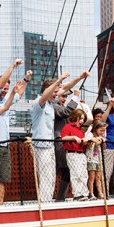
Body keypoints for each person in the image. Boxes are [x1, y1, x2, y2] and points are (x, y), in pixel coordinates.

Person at [0, 59, 31, 205]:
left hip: (5, 144)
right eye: (3, 88)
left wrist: (26, 79)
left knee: (2, 178)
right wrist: (12, 66)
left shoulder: (7, 100)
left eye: (7, 88)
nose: (5, 90)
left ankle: (0, 206)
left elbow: (19, 93)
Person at [30, 72, 70, 202]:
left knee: (51, 177)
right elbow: (46, 95)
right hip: (41, 146)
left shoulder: (50, 105)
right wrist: (58, 80)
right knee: (45, 177)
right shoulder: (39, 103)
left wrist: (80, 78)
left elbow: (64, 88)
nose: (57, 95)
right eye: (54, 92)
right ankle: (44, 203)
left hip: (49, 145)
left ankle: (47, 202)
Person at [54, 72, 90, 201]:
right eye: (62, 96)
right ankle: (62, 198)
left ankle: (65, 197)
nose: (63, 98)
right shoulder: (55, 106)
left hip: (73, 148)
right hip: (62, 145)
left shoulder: (76, 126)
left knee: (69, 173)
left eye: (65, 97)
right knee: (66, 172)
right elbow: (66, 113)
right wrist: (74, 97)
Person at [60, 109, 90, 200]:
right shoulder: (68, 126)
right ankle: (77, 194)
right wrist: (73, 137)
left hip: (81, 153)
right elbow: (63, 138)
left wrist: (85, 142)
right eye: (80, 118)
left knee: (84, 174)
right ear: (75, 117)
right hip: (72, 153)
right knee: (76, 174)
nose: (81, 121)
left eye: (83, 119)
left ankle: (85, 192)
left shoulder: (80, 130)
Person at [86, 121, 106, 199]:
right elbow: (87, 140)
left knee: (98, 177)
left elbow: (104, 147)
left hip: (98, 159)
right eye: (101, 130)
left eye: (104, 130)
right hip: (91, 158)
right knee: (91, 177)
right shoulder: (91, 134)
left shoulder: (102, 137)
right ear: (96, 128)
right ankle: (91, 193)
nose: (102, 132)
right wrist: (94, 139)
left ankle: (100, 193)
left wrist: (103, 141)